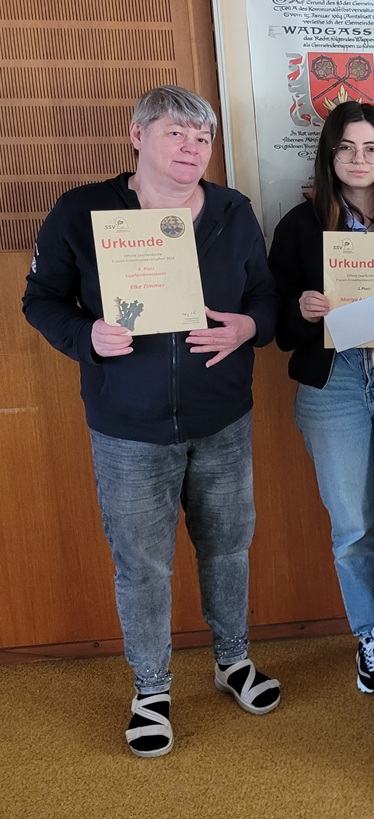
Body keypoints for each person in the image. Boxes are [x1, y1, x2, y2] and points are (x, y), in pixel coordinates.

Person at [22, 85, 280, 758]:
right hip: (127, 428)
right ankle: (151, 689)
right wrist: (85, 336)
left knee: (228, 547)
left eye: (202, 138)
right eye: (176, 134)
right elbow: (40, 299)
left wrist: (250, 327)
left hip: (222, 418)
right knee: (141, 564)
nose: (192, 149)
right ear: (138, 136)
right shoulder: (82, 211)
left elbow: (265, 296)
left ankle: (232, 660)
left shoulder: (232, 211)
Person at [269, 101, 374, 721]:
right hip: (333, 381)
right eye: (346, 148)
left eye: (371, 147)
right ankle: (373, 636)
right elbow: (279, 329)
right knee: (352, 528)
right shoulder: (298, 225)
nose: (359, 159)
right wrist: (303, 311)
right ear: (329, 154)